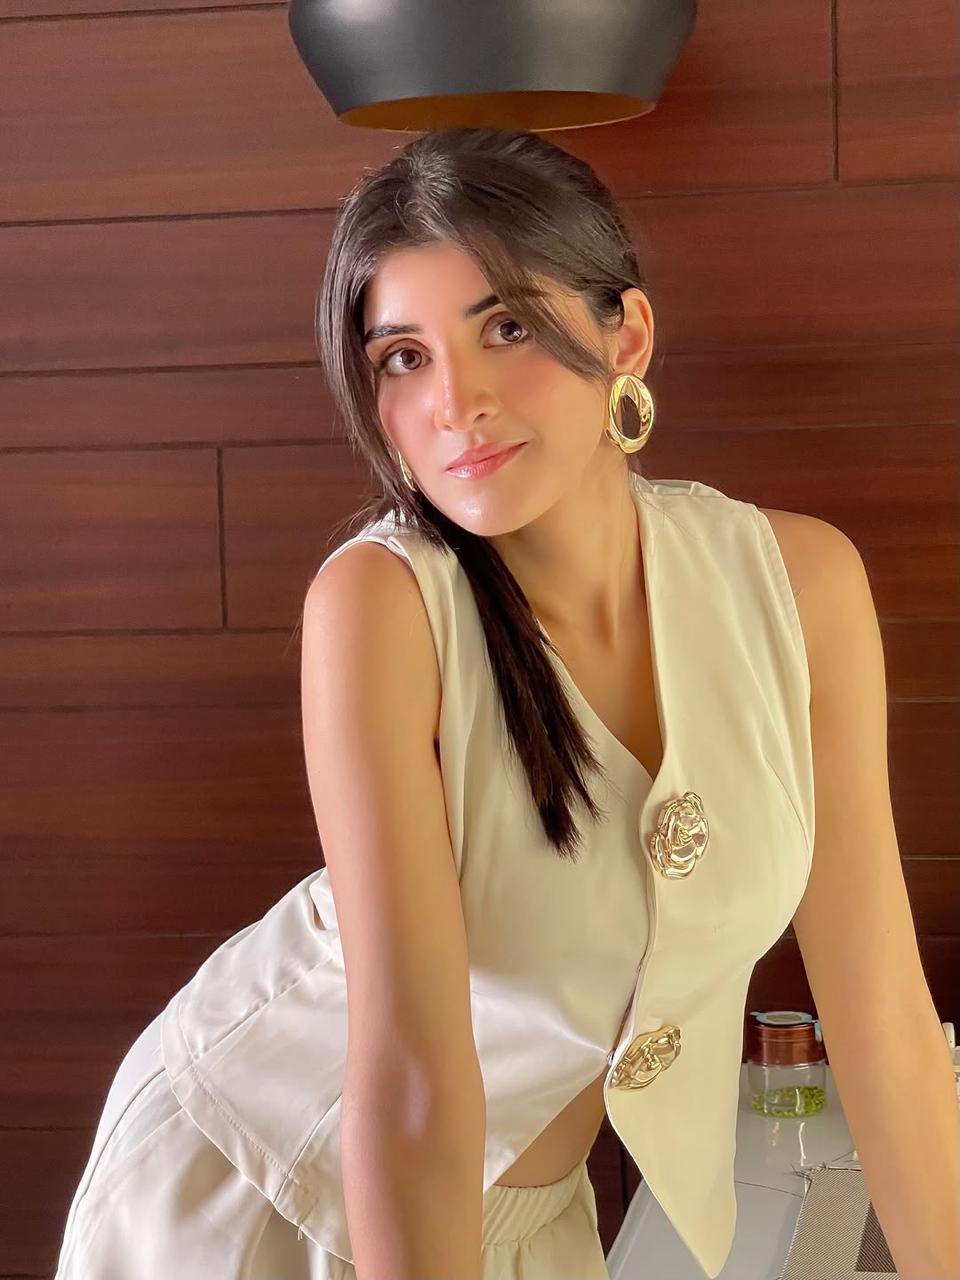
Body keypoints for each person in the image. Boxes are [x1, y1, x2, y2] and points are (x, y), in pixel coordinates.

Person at [54, 126, 815, 1280]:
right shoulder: (382, 601)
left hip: (520, 1208)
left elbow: (890, 1027)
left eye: (505, 327)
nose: (456, 401)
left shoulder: (782, 583)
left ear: (627, 335)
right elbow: (413, 1074)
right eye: (404, 356)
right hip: (267, 1182)